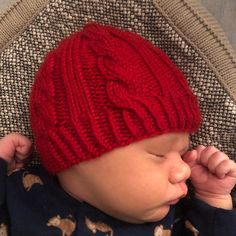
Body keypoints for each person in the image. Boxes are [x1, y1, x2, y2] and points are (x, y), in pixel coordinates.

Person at [0, 22, 236, 236]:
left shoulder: (175, 220)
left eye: (182, 155)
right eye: (159, 155)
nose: (184, 171)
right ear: (79, 155)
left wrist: (213, 200)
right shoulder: (22, 196)